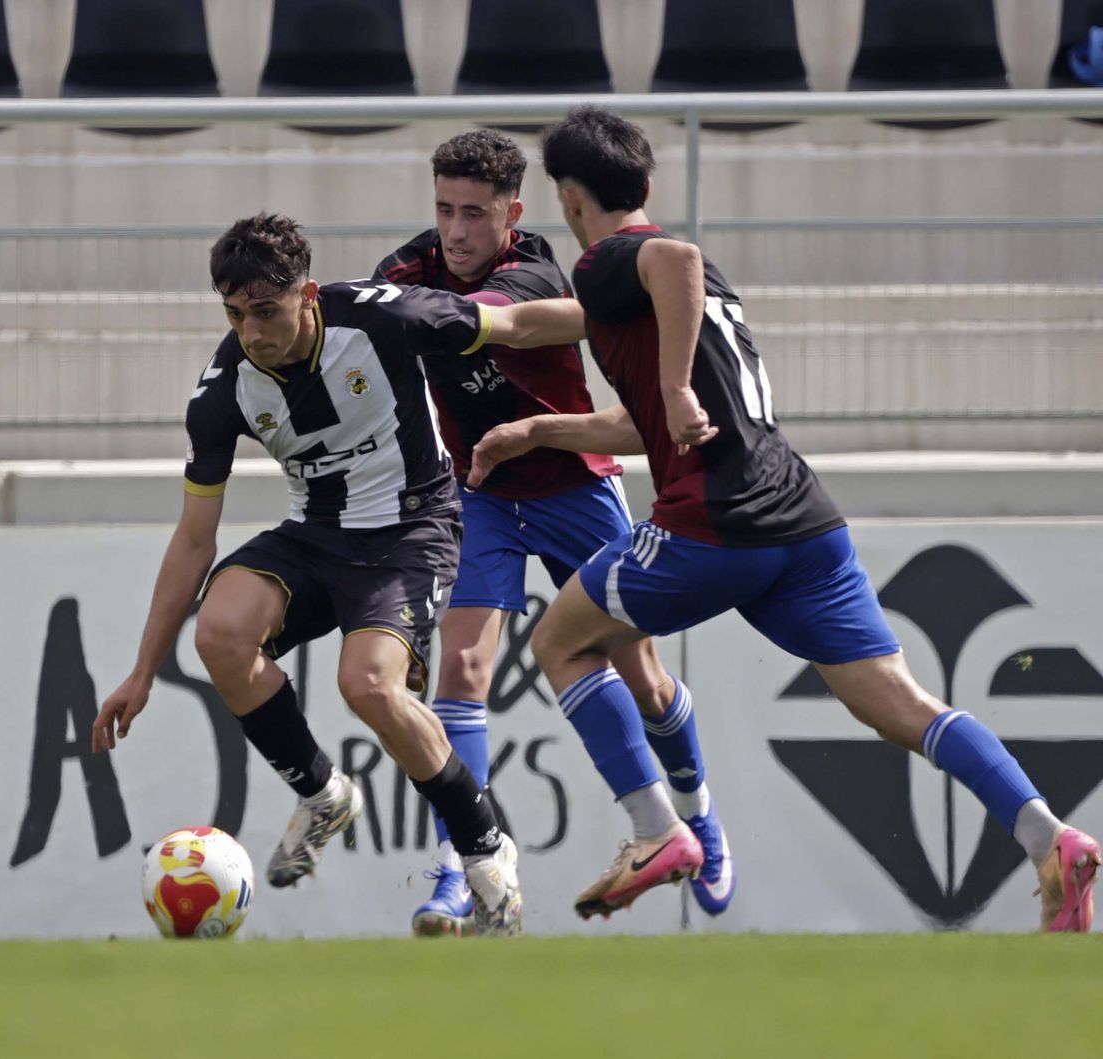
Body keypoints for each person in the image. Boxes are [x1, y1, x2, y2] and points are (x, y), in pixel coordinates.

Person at [468, 105, 1100, 931]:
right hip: (803, 522)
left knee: (561, 639)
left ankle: (658, 830)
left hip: (713, 524)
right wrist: (542, 429)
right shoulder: (697, 295)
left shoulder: (612, 263)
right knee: (896, 704)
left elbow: (675, 260)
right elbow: (649, 424)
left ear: (570, 196)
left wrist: (671, 387)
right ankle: (1050, 837)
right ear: (646, 181)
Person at [90, 213, 593, 935]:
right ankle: (322, 792)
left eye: (266, 310)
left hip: (412, 529)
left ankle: (485, 848)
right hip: (316, 533)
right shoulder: (223, 388)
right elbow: (195, 539)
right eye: (235, 314)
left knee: (366, 684)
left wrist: (621, 319)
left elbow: (514, 326)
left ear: (309, 293)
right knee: (222, 632)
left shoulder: (385, 317)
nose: (252, 332)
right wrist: (142, 670)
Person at [372, 130, 733, 936]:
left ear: (514, 214)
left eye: (475, 213)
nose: (456, 230)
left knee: (642, 674)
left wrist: (418, 315)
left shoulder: (539, 265)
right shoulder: (405, 270)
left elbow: (502, 320)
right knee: (462, 666)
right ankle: (465, 867)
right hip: (482, 492)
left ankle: (695, 813)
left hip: (575, 480)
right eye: (443, 210)